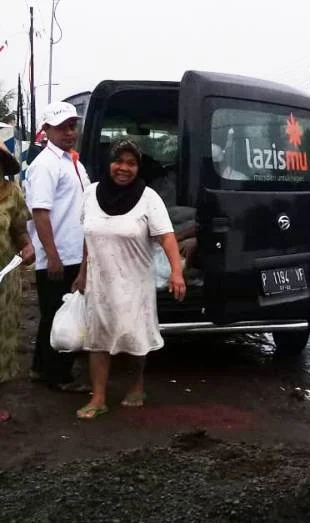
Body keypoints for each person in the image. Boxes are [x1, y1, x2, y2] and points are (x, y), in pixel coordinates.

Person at [73, 139, 185, 420]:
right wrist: (82, 272)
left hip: (135, 282)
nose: (124, 168)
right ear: (108, 163)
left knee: (134, 336)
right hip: (100, 281)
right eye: (118, 161)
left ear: (138, 167)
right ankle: (98, 397)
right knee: (97, 339)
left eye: (131, 163)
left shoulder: (149, 198)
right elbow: (89, 237)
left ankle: (136, 386)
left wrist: (177, 271)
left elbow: (167, 237)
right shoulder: (90, 194)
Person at [24, 102, 91, 392]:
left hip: (73, 252)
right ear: (46, 130)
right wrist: (51, 256)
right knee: (59, 315)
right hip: (59, 254)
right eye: (62, 127)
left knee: (53, 313)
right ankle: (59, 375)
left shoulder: (72, 161)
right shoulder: (45, 165)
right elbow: (40, 212)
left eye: (72, 126)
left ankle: (41, 368)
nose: (69, 132)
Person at [0, 145, 35, 423]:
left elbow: (20, 230)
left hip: (4, 282)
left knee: (3, 338)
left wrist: (27, 247)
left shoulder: (12, 193)